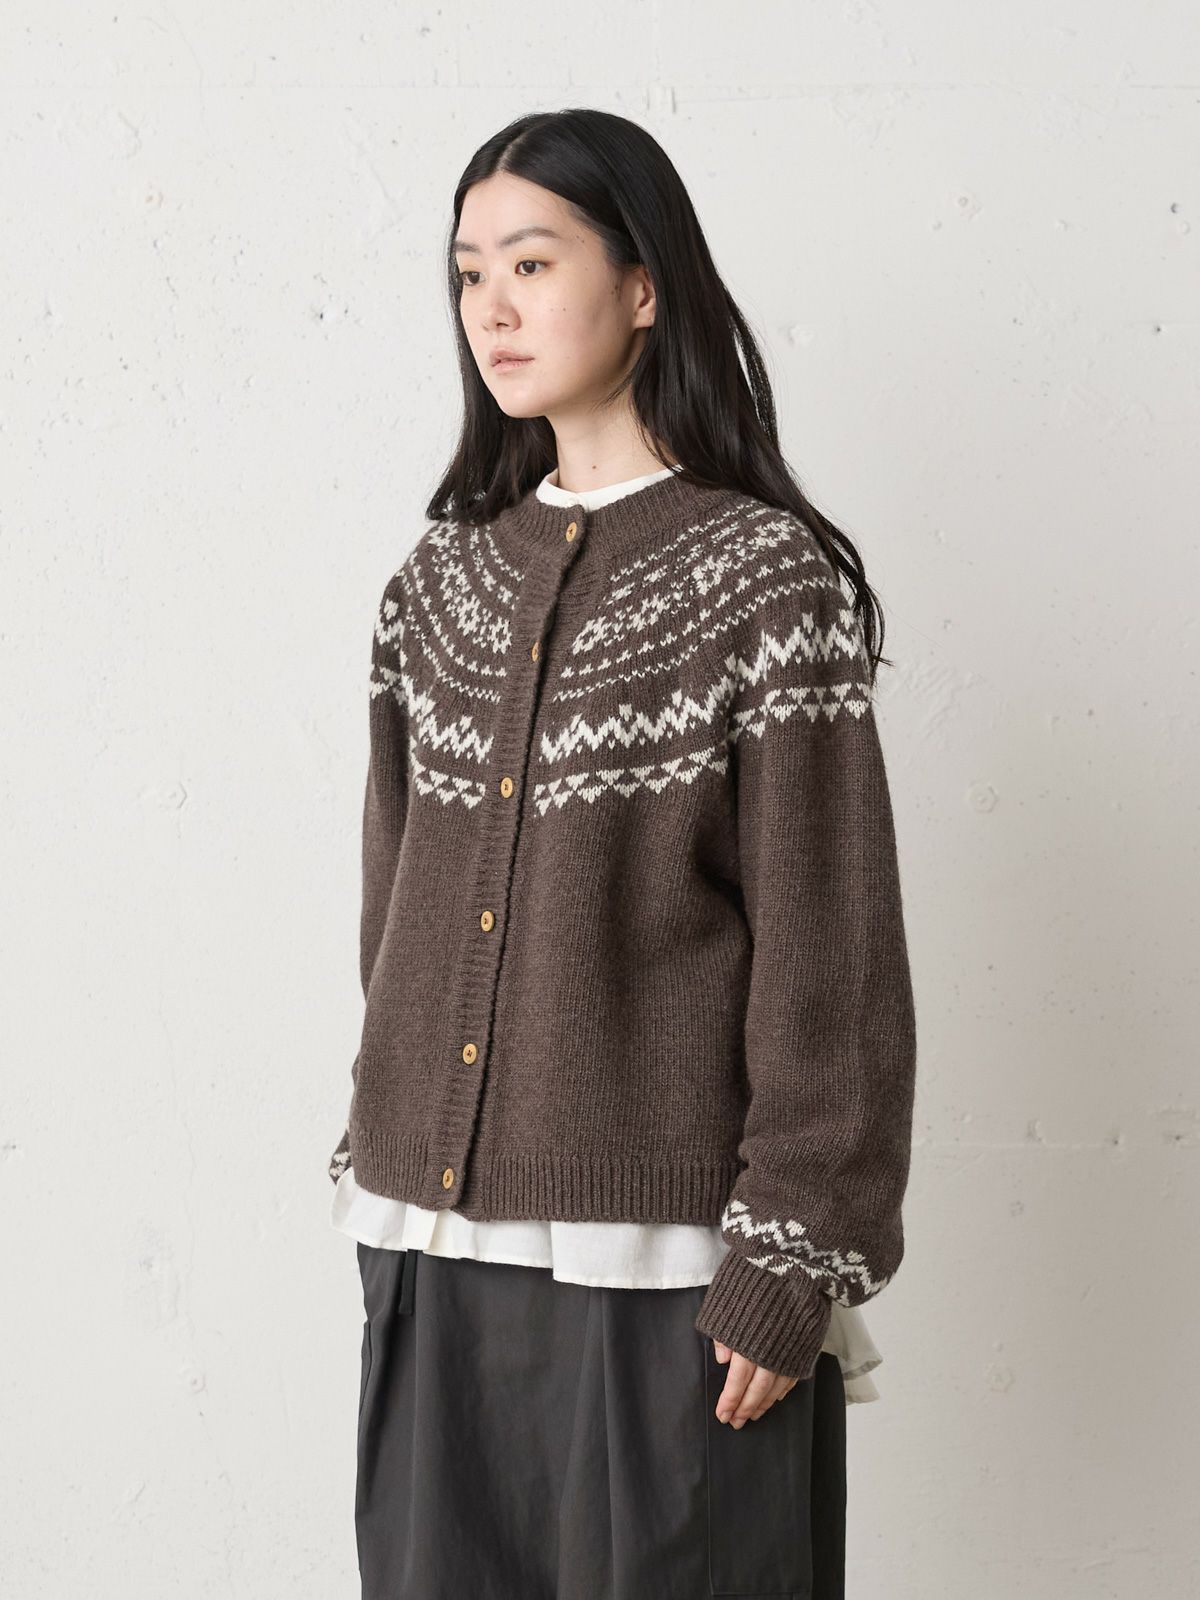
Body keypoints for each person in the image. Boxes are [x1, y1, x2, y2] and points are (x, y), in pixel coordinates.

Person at [327, 106, 918, 1600]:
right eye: (470, 274)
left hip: (671, 1278)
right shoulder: (436, 588)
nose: (494, 310)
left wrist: (795, 1253)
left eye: (533, 264)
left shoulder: (764, 582)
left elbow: (833, 955)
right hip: (435, 1248)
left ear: (644, 285)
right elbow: (395, 920)